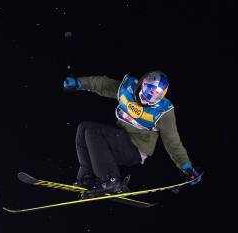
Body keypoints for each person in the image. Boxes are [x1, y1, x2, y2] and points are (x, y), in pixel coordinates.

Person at [63, 71, 200, 197]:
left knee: (94, 132)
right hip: (120, 138)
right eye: (149, 90)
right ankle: (87, 177)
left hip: (135, 149)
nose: (149, 96)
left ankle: (110, 180)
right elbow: (102, 85)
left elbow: (172, 142)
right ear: (142, 83)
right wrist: (79, 83)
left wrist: (186, 167)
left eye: (157, 94)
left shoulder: (163, 111)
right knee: (84, 128)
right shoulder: (127, 89)